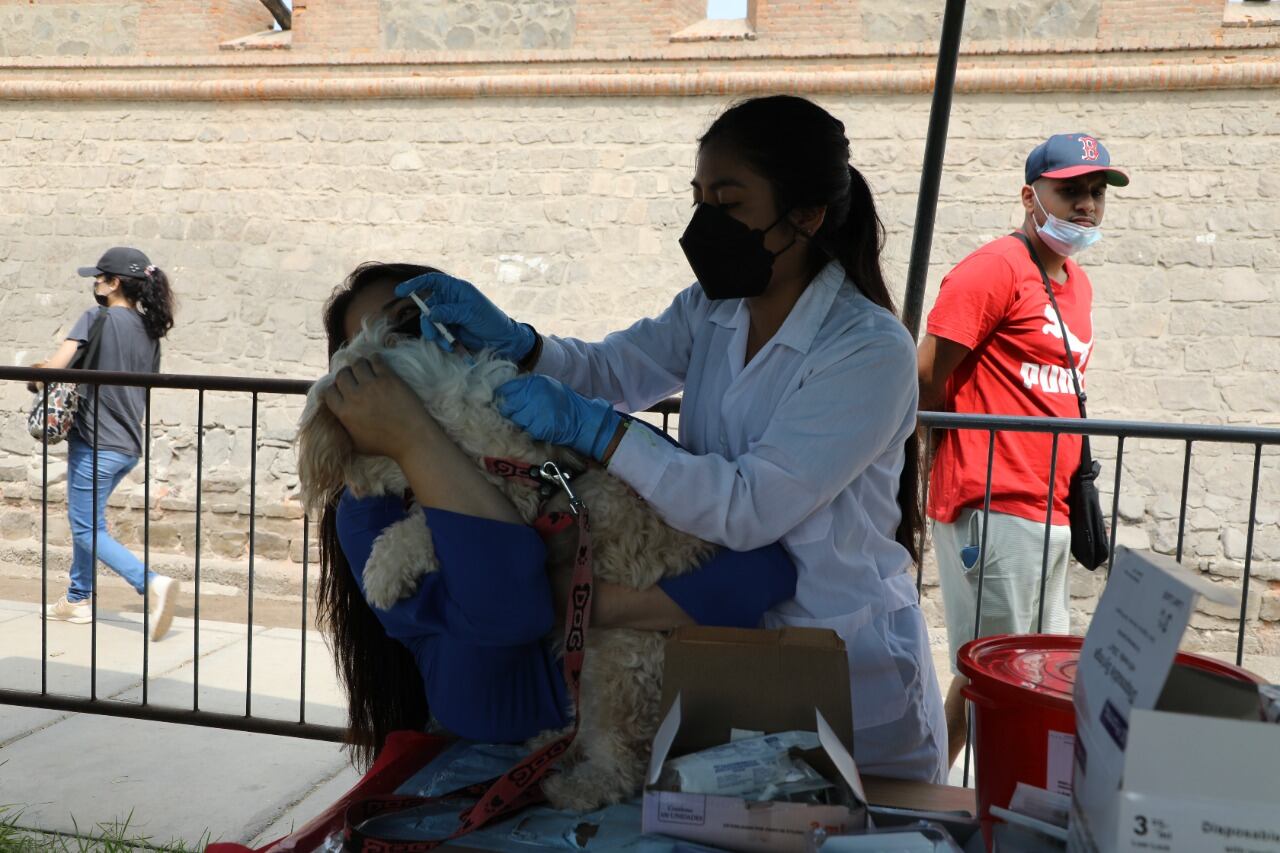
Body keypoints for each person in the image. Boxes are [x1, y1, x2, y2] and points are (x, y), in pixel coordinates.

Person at [393, 95, 948, 783]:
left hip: (843, 663)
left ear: (805, 214)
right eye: (699, 197)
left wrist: (599, 431)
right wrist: (521, 343)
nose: (704, 222)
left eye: (728, 201)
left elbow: (748, 507)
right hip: (722, 638)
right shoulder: (713, 307)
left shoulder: (866, 349)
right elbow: (612, 369)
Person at [315, 262, 798, 768]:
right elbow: (509, 612)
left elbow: (760, 572)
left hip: (645, 744)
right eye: (372, 355)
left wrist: (579, 598)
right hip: (487, 760)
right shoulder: (370, 508)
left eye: (413, 323)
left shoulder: (561, 428)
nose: (405, 351)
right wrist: (415, 441)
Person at [917, 133, 1128, 764]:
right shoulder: (993, 269)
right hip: (995, 500)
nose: (1086, 205)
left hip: (1049, 507)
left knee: (1008, 669)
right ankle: (1000, 807)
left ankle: (927, 788)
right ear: (1030, 196)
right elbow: (926, 376)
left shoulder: (1076, 283)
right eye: (1070, 191)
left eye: (1095, 192)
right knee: (1009, 676)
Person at [35, 247, 180, 641]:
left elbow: (54, 368)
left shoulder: (95, 317)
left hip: (95, 441)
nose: (95, 284)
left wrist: (34, 376)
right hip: (127, 445)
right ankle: (77, 598)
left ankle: (150, 583)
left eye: (99, 278)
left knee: (84, 530)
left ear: (114, 283)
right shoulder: (150, 332)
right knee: (91, 522)